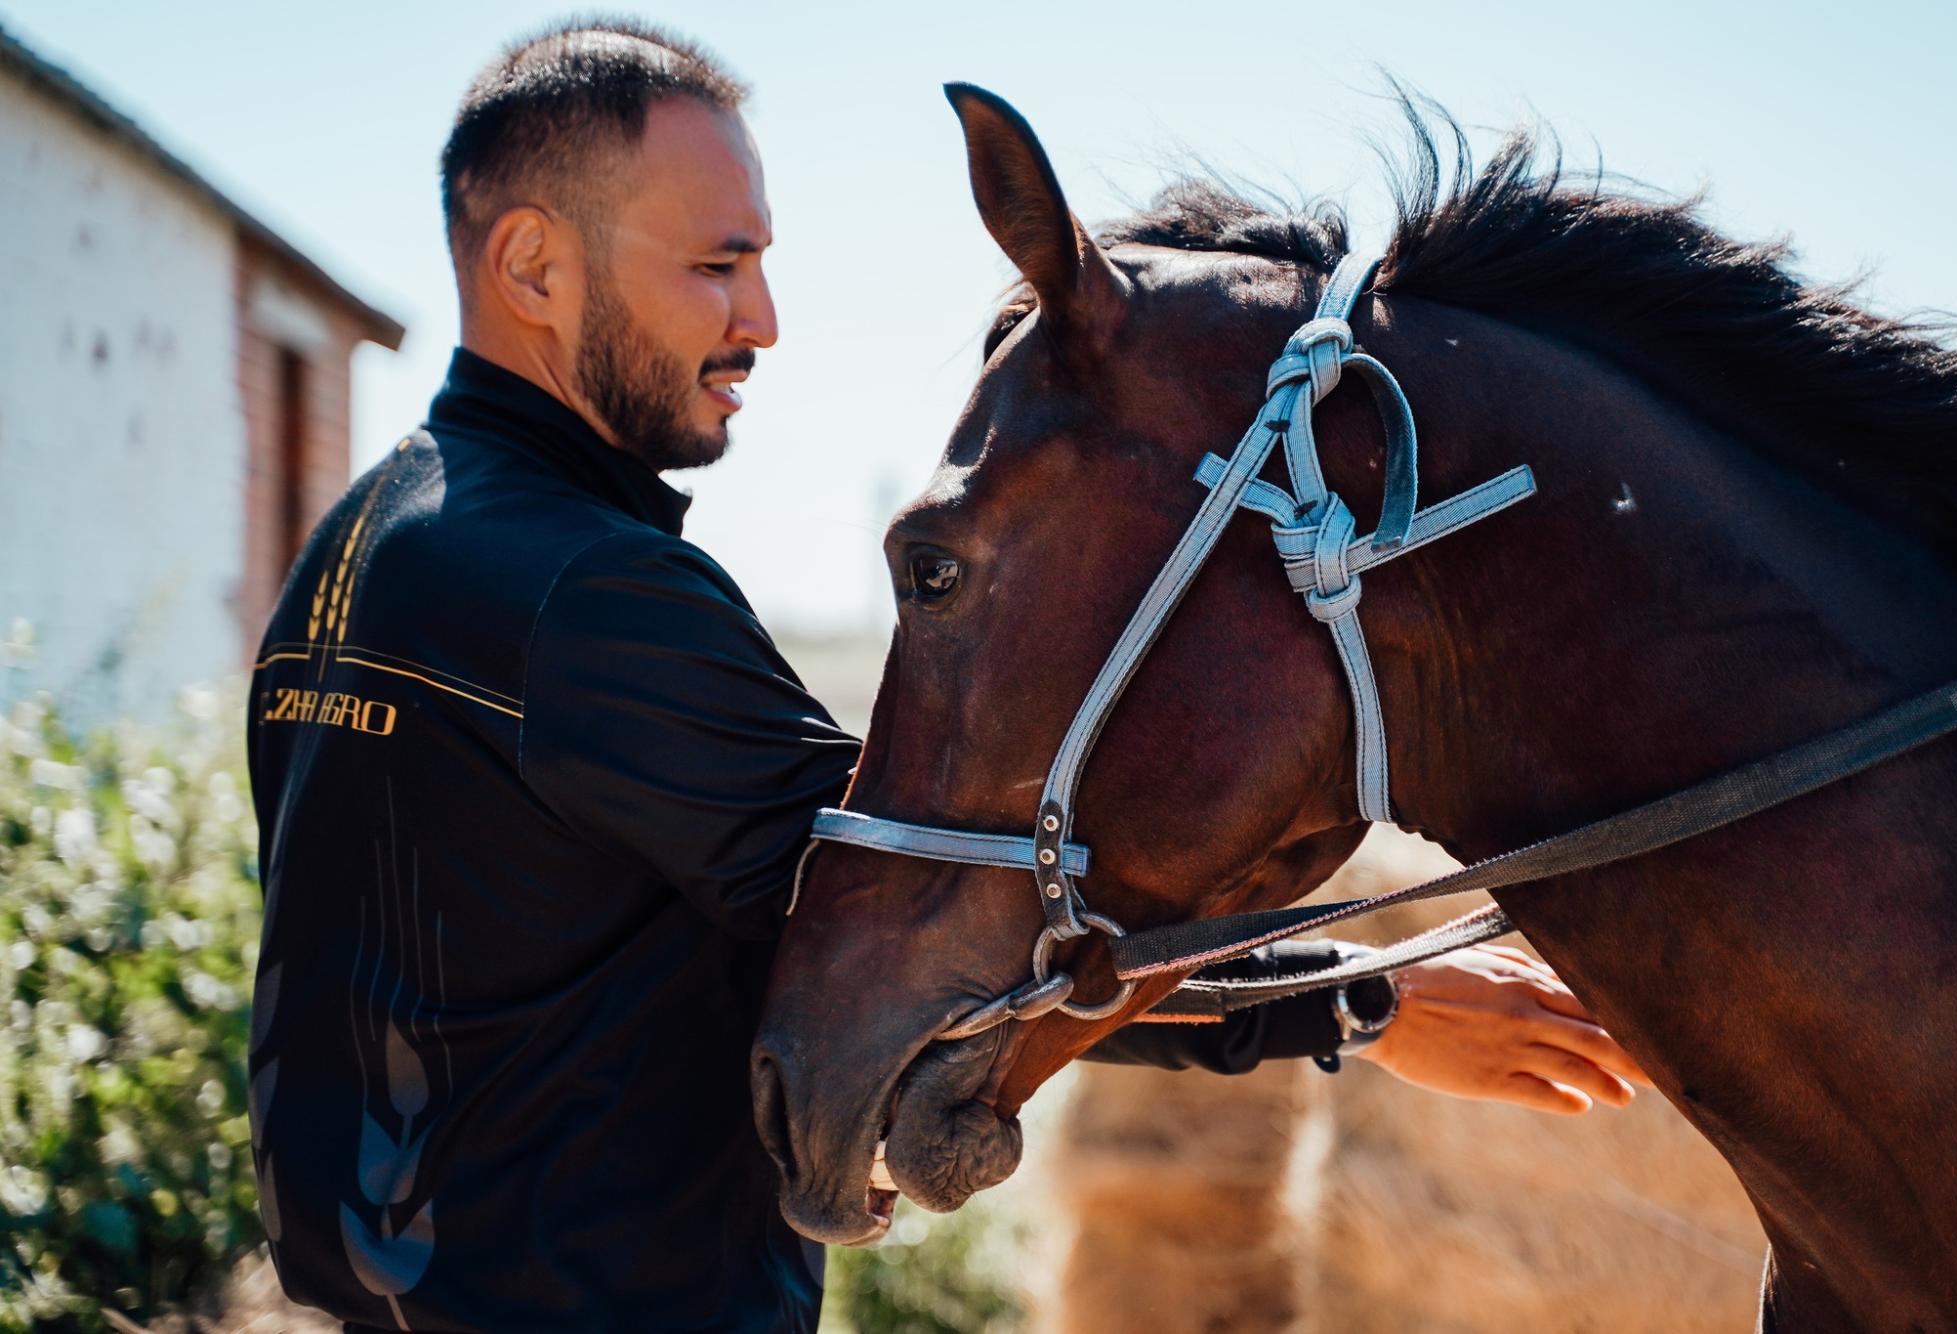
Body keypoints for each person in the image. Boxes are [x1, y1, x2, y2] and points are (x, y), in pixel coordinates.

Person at [245, 19, 1648, 1331]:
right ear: (535, 269)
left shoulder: (358, 548)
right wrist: (1362, 998)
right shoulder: (584, 595)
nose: (768, 319)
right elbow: (933, 931)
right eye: (716, 265)